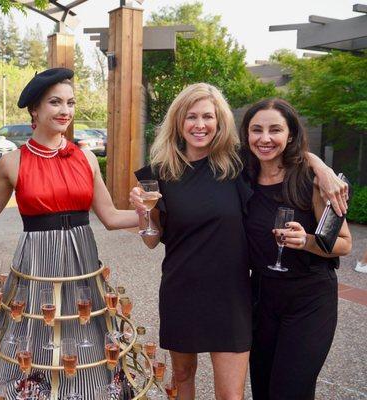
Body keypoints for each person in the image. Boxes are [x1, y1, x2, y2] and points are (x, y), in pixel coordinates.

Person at [129, 83, 348, 400]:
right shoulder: (160, 172)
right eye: (191, 117)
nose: (200, 125)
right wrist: (143, 213)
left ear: (220, 122)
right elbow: (152, 240)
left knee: (231, 394)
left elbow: (280, 150)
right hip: (181, 288)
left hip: (232, 294)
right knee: (181, 377)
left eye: (208, 116)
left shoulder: (236, 166)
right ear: (178, 121)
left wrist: (321, 167)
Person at [0, 67, 139, 398]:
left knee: (84, 335)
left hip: (82, 262)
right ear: (35, 110)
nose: (65, 111)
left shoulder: (85, 157)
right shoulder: (12, 162)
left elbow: (112, 217)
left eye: (70, 103)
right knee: (35, 335)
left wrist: (157, 214)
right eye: (55, 102)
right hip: (37, 264)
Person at [240, 98, 351, 399]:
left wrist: (307, 241)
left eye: (275, 130)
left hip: (309, 299)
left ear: (290, 135)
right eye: (256, 130)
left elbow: (344, 243)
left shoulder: (313, 181)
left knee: (291, 392)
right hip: (261, 297)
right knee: (262, 389)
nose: (264, 138)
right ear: (246, 134)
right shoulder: (243, 177)